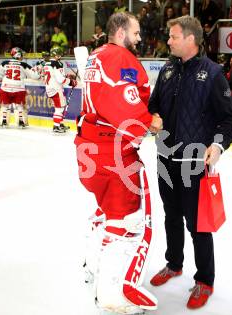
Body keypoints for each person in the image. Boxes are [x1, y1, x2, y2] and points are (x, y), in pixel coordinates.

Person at [74, 12, 162, 313]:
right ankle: (114, 294)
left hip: (88, 147)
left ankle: (94, 266)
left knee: (104, 211)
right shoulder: (120, 58)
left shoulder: (96, 55)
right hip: (111, 151)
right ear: (122, 31)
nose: (139, 38)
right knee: (126, 223)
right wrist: (149, 121)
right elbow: (121, 102)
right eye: (136, 33)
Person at [148, 15, 232, 309]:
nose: (168, 41)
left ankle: (205, 280)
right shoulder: (167, 69)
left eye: (173, 36)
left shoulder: (213, 74)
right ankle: (174, 263)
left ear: (190, 39)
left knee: (198, 225)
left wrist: (218, 144)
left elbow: (228, 120)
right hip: (165, 159)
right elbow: (153, 104)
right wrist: (154, 117)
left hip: (194, 163)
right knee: (170, 217)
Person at [0, 47, 40, 128]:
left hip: (6, 88)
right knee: (19, 106)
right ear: (19, 55)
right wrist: (39, 71)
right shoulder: (23, 65)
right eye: (21, 54)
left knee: (5, 105)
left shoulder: (4, 63)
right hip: (19, 89)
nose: (22, 56)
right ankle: (21, 122)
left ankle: (3, 121)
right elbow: (35, 76)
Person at [41, 47, 77, 133]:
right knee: (59, 108)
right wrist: (71, 82)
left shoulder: (47, 63)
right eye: (60, 54)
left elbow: (54, 75)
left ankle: (60, 124)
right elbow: (60, 79)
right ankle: (56, 126)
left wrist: (67, 76)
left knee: (60, 106)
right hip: (56, 89)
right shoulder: (58, 64)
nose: (61, 56)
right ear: (57, 55)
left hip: (49, 88)